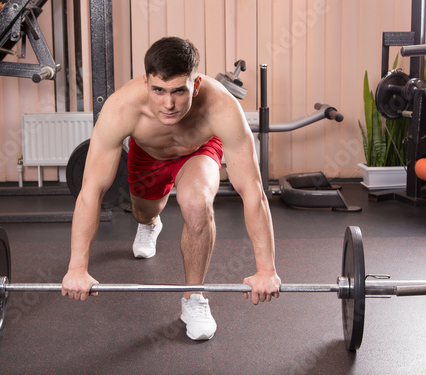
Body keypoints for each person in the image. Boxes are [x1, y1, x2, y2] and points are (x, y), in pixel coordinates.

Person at [62, 36, 281, 341]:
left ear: (196, 84)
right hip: (148, 157)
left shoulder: (222, 108)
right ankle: (150, 223)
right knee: (144, 211)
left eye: (179, 91)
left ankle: (194, 299)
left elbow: (253, 191)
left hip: (199, 151)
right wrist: (77, 267)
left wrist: (266, 268)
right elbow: (91, 191)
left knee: (196, 203)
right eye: (159, 91)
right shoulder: (122, 108)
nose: (168, 104)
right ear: (146, 82)